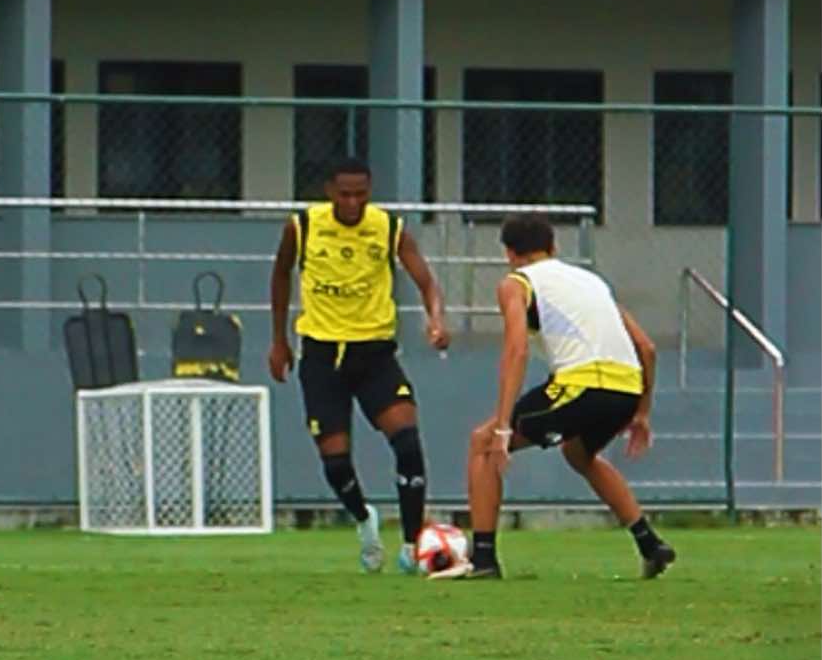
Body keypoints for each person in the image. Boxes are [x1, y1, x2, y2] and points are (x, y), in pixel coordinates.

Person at [435, 212, 675, 582]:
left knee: (482, 443)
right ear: (553, 247)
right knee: (580, 453)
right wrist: (642, 412)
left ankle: (483, 559)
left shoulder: (516, 283)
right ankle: (650, 544)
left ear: (509, 253)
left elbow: (516, 350)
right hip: (627, 387)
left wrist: (502, 427)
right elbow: (647, 347)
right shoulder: (591, 281)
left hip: (584, 384)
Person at [268, 157, 449, 573]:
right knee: (335, 462)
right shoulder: (303, 226)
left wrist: (435, 318)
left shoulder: (388, 228)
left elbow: (426, 280)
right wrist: (279, 340)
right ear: (329, 191)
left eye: (361, 195)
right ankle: (363, 519)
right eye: (345, 194)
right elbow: (279, 276)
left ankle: (410, 544)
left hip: (375, 356)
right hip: (322, 356)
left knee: (406, 442)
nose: (353, 203)